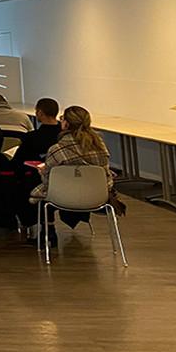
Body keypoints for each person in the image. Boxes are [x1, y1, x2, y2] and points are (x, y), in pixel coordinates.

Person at [29, 105, 120, 246]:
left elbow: (48, 181)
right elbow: (105, 174)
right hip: (97, 196)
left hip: (62, 197)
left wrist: (42, 172)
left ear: (66, 124)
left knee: (41, 193)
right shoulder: (100, 146)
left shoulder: (57, 149)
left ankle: (48, 231)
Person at [13, 98, 61, 165]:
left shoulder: (31, 137)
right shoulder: (65, 135)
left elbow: (17, 161)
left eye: (36, 111)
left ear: (40, 113)